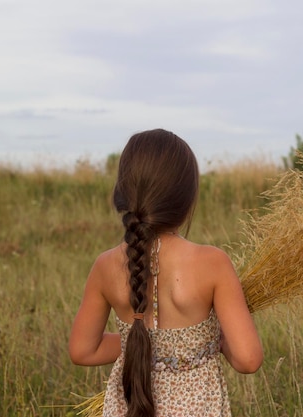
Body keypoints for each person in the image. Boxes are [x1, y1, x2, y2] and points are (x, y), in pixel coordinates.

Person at [68, 129, 263, 417]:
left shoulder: (105, 266)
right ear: (187, 199)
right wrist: (212, 343)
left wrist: (136, 344)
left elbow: (83, 351)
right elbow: (248, 360)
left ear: (122, 194)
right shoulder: (213, 263)